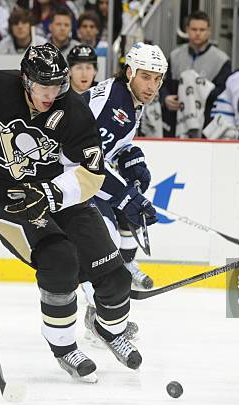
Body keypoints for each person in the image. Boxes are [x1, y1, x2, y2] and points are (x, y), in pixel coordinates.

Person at [0, 43, 143, 382]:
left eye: (58, 85)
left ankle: (108, 330)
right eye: (43, 86)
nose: (51, 94)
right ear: (26, 80)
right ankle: (64, 347)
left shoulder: (74, 111)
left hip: (60, 198)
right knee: (60, 261)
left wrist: (52, 193)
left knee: (115, 277)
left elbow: (92, 172)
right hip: (8, 199)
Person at [79, 43, 166, 338]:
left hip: (79, 180)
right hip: (66, 179)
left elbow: (110, 149)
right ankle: (100, 318)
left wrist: (131, 159)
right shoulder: (113, 103)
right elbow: (85, 160)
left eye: (157, 79)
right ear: (129, 72)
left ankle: (98, 313)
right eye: (145, 77)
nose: (151, 86)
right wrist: (125, 195)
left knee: (107, 241)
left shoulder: (127, 98)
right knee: (103, 241)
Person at [159, 10, 231, 137]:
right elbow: (162, 83)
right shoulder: (175, 55)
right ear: (187, 29)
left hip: (206, 126)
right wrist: (165, 98)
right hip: (174, 123)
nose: (198, 33)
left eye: (202, 30)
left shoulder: (221, 59)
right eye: (194, 29)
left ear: (209, 31)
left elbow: (223, 93)